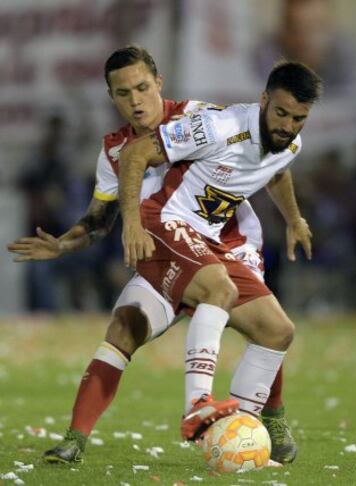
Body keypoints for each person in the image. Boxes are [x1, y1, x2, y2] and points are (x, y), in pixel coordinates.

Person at [7, 46, 305, 464]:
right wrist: (64, 243)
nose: (135, 100)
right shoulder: (113, 151)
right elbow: (97, 220)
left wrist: (293, 217)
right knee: (124, 327)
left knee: (273, 329)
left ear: (159, 83)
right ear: (111, 97)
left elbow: (268, 155)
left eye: (143, 88)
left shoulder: (200, 117)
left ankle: (265, 418)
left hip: (222, 243)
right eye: (123, 93)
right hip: (159, 246)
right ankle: (75, 439)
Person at [119, 59, 322, 441]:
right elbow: (134, 154)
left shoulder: (289, 142)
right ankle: (197, 405)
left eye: (299, 118)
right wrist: (130, 223)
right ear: (263, 100)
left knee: (278, 331)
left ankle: (237, 435)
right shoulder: (218, 126)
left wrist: (294, 219)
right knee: (220, 288)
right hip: (165, 219)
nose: (288, 126)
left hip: (208, 239)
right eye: (281, 113)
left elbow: (276, 169)